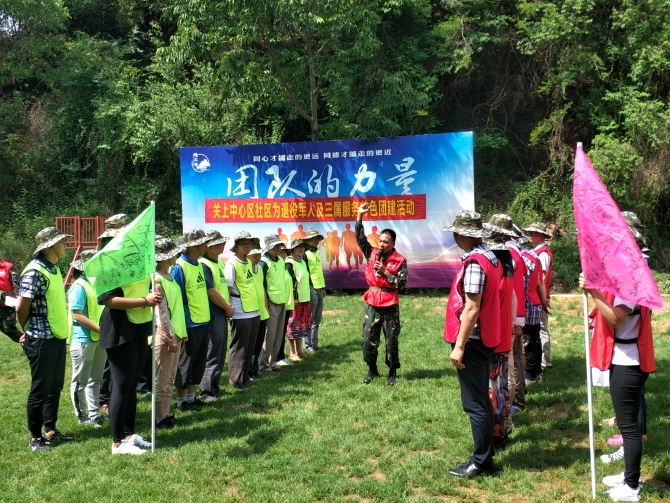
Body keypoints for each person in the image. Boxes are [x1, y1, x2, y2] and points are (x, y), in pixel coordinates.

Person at [580, 260, 655, 502]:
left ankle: (631, 487)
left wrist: (593, 291)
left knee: (629, 429)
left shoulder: (630, 287)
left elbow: (614, 318)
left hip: (628, 364)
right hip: (625, 362)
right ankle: (630, 476)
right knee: (628, 426)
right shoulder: (627, 283)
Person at [96, 213, 161, 455]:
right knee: (121, 386)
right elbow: (108, 300)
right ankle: (117, 443)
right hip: (119, 328)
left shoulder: (134, 260)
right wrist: (145, 300)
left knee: (132, 384)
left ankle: (129, 434)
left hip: (138, 326)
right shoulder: (107, 263)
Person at [443, 211, 500, 477]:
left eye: (456, 232)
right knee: (481, 400)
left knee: (475, 403)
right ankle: (484, 455)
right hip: (484, 338)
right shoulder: (489, 256)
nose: (454, 236)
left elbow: (472, 308)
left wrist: (459, 346)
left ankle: (481, 462)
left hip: (474, 341)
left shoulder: (476, 262)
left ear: (463, 235)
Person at [16, 227, 75, 451]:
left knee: (54, 386)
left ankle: (50, 430)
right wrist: (28, 329)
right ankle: (35, 437)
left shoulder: (54, 268)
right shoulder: (34, 272)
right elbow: (21, 308)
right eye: (61, 241)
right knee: (40, 389)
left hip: (57, 336)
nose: (65, 244)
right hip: (41, 339)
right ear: (50, 247)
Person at [356, 203, 408, 386]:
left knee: (391, 340)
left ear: (393, 243)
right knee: (368, 340)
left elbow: (402, 284)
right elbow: (359, 237)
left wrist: (386, 273)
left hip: (390, 303)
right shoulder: (371, 253)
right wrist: (360, 215)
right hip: (372, 302)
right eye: (380, 241)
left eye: (386, 242)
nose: (382, 244)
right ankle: (372, 369)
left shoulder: (400, 260)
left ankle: (392, 371)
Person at [482, 225, 517, 447]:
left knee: (492, 389)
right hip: (504, 336)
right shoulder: (507, 271)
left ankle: (495, 435)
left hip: (493, 337)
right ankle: (503, 430)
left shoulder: (494, 273)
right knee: (501, 387)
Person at [171, 229, 212, 410]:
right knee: (185, 363)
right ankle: (181, 402)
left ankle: (191, 397)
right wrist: (180, 326)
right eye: (203, 243)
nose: (206, 246)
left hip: (202, 320)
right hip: (189, 323)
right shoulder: (179, 267)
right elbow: (175, 298)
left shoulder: (199, 264)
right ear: (193, 246)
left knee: (198, 362)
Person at [68, 249, 107, 427]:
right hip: (83, 339)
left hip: (98, 338)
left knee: (95, 379)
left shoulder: (96, 284)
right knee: (80, 381)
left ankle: (94, 413)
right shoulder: (79, 286)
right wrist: (100, 330)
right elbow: (77, 314)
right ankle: (83, 417)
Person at [198, 230, 234, 402]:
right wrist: (227, 307)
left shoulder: (218, 261)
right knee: (212, 352)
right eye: (220, 243)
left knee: (220, 350)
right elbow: (211, 291)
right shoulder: (203, 264)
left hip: (221, 312)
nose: (223, 245)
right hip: (213, 313)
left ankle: (214, 386)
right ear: (210, 246)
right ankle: (206, 391)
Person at [224, 231, 261, 389]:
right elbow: (227, 288)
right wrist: (228, 308)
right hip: (240, 311)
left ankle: (244, 377)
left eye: (249, 243)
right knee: (239, 347)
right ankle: (236, 380)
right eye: (243, 243)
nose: (247, 246)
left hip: (253, 309)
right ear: (236, 246)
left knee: (249, 346)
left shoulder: (248, 262)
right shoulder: (232, 264)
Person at [524, 222, 553, 368]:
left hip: (539, 296)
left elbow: (542, 276)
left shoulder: (543, 253)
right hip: (537, 295)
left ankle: (544, 360)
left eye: (533, 233)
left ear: (540, 235)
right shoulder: (538, 251)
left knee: (541, 328)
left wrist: (543, 299)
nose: (530, 235)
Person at [259, 234, 289, 372]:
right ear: (268, 247)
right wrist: (265, 303)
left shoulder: (281, 260)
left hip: (282, 301)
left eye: (279, 245)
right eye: (275, 245)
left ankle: (272, 363)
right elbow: (261, 285)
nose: (278, 248)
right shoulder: (263, 263)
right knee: (270, 335)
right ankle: (264, 365)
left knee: (278, 334)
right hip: (270, 303)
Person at [519, 237, 546, 386]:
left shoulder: (523, 258)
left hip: (527, 304)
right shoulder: (533, 255)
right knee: (535, 340)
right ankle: (536, 372)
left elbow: (523, 287)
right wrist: (543, 301)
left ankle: (529, 375)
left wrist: (520, 309)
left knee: (527, 342)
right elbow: (539, 282)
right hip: (534, 302)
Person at [284, 239, 311, 361]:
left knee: (301, 326)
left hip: (304, 299)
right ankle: (292, 353)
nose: (301, 248)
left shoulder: (302, 261)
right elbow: (288, 282)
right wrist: (292, 299)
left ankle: (299, 351)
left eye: (302, 246)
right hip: (295, 300)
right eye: (298, 246)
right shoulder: (289, 262)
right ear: (292, 248)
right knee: (292, 326)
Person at [249, 245, 270, 380]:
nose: (258, 257)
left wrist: (266, 306)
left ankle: (254, 368)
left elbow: (262, 289)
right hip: (251, 311)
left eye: (259, 254)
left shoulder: (260, 269)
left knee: (258, 342)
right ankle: (249, 370)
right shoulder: (245, 269)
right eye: (254, 255)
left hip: (262, 311)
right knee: (251, 343)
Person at [304, 228, 326, 353]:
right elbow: (305, 273)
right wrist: (309, 287)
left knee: (317, 319)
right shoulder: (305, 254)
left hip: (319, 288)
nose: (316, 240)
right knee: (310, 318)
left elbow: (318, 272)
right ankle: (307, 345)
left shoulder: (316, 252)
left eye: (317, 238)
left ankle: (315, 344)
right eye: (313, 238)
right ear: (308, 240)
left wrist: (322, 288)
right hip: (311, 288)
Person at [274, 244, 293, 367]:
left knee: (282, 331)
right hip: (279, 302)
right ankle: (276, 357)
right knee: (276, 332)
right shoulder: (277, 267)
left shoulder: (284, 267)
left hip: (287, 303)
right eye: (281, 252)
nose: (283, 254)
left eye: (285, 252)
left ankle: (281, 355)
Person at [0, 256, 22, 343]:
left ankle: (28, 344)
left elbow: (17, 285)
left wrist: (20, 301)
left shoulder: (8, 266)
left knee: (8, 328)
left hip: (7, 304)